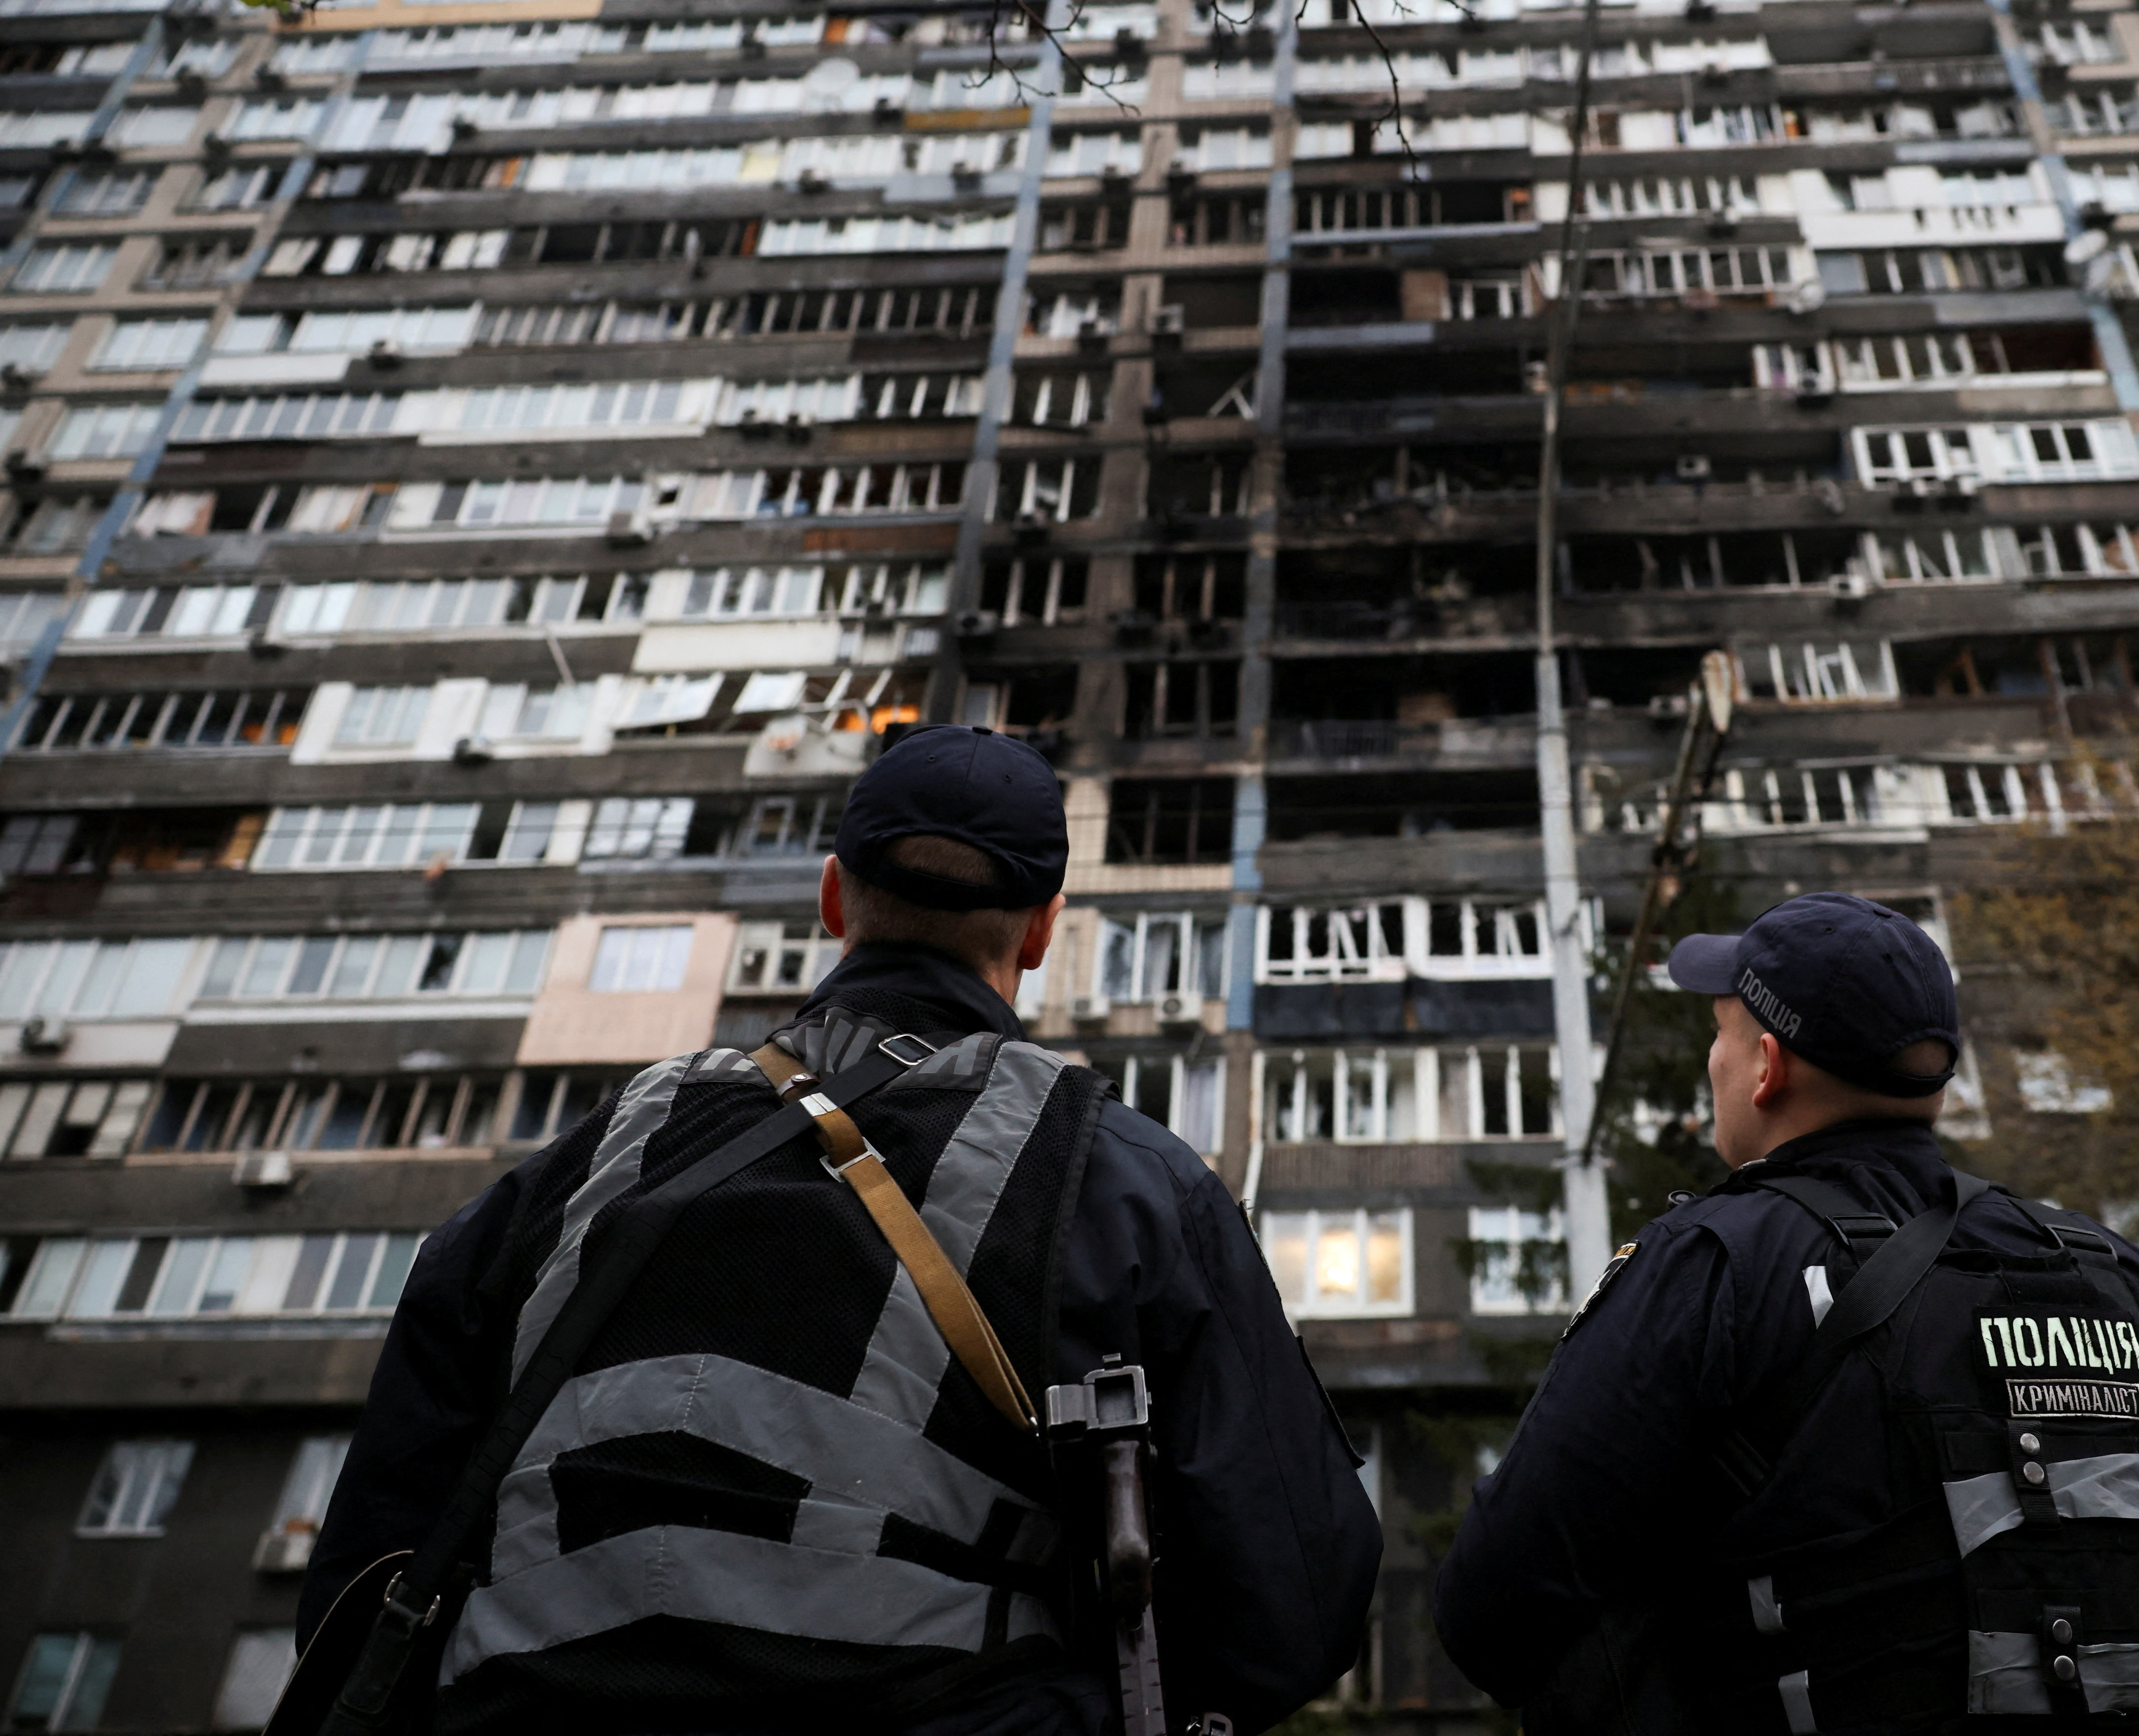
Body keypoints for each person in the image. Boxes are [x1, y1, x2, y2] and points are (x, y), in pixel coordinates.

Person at [303, 725, 1382, 1735]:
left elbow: (366, 1572)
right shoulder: (1126, 1183)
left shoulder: (580, 1165)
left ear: (832, 897)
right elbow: (1291, 1598)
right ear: (1044, 929)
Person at [1433, 892, 2139, 1733]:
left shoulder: (1713, 1265)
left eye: (1717, 1036)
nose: (1712, 1062)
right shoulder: (2123, 1274)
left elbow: (1492, 1607)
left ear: (1765, 1066)